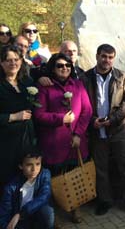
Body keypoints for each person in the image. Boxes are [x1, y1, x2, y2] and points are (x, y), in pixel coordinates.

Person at [83, 44, 125, 216]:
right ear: (97, 56)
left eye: (110, 57)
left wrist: (113, 119)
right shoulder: (86, 77)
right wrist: (92, 121)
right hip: (96, 130)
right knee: (101, 168)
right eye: (104, 56)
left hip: (117, 129)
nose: (107, 60)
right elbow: (82, 103)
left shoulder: (121, 76)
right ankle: (105, 200)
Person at [32, 53, 92, 223]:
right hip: (54, 143)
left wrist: (78, 133)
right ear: (52, 68)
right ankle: (54, 213)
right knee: (54, 179)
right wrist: (61, 119)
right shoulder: (45, 87)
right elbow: (39, 114)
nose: (64, 68)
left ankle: (75, 208)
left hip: (75, 142)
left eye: (67, 65)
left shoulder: (78, 85)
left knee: (74, 176)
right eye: (59, 65)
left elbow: (87, 111)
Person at [0, 46, 36, 195]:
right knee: (8, 180)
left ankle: (26, 212)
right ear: (1, 63)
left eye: (16, 59)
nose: (13, 63)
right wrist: (14, 116)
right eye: (8, 60)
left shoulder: (26, 82)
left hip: (27, 138)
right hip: (6, 142)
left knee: (27, 178)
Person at [0, 149, 54, 229]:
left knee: (47, 212)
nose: (34, 169)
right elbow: (4, 214)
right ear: (20, 166)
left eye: (38, 164)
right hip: (20, 221)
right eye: (29, 165)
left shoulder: (45, 174)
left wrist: (21, 214)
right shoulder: (11, 187)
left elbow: (45, 196)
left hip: (33, 214)